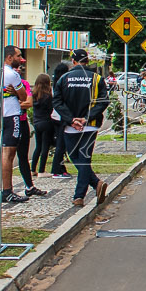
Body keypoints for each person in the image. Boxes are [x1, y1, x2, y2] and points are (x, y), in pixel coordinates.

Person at [53, 49, 110, 207]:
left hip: (70, 126)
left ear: (73, 60)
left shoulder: (64, 78)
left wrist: (71, 119)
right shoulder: (97, 78)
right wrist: (87, 118)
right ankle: (95, 184)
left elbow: (57, 101)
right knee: (84, 159)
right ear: (87, 60)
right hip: (90, 125)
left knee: (74, 157)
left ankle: (80, 195)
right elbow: (104, 101)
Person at [0, 46, 30, 203]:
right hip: (11, 115)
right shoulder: (13, 74)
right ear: (9, 57)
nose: (21, 59)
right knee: (9, 153)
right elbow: (23, 96)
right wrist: (16, 92)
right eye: (18, 56)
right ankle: (7, 191)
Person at [15, 67, 47, 197]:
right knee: (5, 154)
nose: (19, 70)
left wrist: (15, 102)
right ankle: (0, 189)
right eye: (16, 67)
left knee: (23, 155)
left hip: (22, 121)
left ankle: (29, 186)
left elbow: (28, 103)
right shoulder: (2, 82)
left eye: (20, 67)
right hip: (8, 121)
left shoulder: (24, 84)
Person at [49, 60, 73, 179]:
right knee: (61, 145)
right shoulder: (62, 84)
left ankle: (61, 168)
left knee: (62, 145)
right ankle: (56, 170)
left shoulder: (56, 83)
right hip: (60, 117)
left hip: (57, 116)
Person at [30, 73, 56, 179]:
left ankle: (33, 169)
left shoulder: (34, 95)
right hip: (46, 122)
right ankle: (41, 170)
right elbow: (51, 110)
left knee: (38, 146)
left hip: (37, 122)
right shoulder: (48, 96)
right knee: (45, 147)